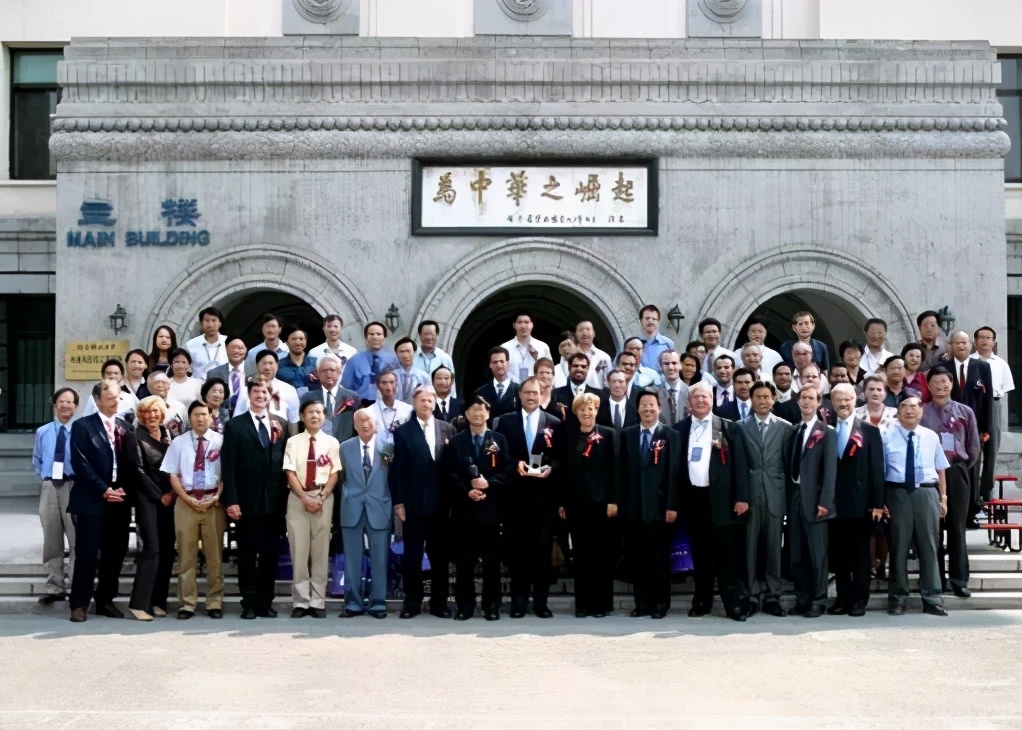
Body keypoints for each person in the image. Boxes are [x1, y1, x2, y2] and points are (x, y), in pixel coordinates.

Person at [674, 382, 750, 621]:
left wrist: (742, 498)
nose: (700, 401)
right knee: (700, 555)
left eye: (704, 397)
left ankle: (734, 604)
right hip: (693, 500)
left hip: (723, 501)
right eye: (695, 397)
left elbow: (741, 465)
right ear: (689, 402)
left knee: (727, 555)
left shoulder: (728, 428)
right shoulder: (679, 429)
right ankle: (702, 601)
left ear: (712, 400)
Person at [67, 381, 138, 622]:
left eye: (118, 398)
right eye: (109, 399)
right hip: (92, 500)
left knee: (114, 554)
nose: (115, 403)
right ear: (97, 400)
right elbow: (80, 463)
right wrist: (103, 489)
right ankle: (79, 604)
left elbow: (131, 464)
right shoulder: (82, 426)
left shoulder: (125, 427)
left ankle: (105, 600)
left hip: (119, 501)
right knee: (87, 553)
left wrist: (123, 490)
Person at [222, 380, 290, 619]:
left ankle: (265, 602)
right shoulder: (235, 426)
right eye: (256, 392)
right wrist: (231, 500)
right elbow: (228, 467)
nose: (261, 395)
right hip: (246, 502)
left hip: (273, 503)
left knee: (270, 555)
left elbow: (284, 463)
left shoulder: (280, 424)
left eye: (265, 392)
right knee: (247, 555)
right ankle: (249, 602)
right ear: (249, 396)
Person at [494, 376, 561, 618]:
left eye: (535, 392)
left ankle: (541, 603)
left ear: (542, 394)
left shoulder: (554, 422)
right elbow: (499, 458)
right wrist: (516, 465)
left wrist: (551, 468)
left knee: (542, 553)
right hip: (515, 499)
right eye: (527, 393)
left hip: (543, 500)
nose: (531, 397)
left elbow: (560, 457)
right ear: (520, 395)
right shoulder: (505, 422)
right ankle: (518, 603)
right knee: (516, 554)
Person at [389, 386, 456, 618]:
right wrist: (398, 502)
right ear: (414, 403)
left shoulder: (448, 429)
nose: (426, 404)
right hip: (413, 504)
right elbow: (396, 471)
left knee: (440, 556)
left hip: (440, 504)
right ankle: (412, 602)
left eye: (430, 400)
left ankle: (440, 603)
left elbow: (452, 470)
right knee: (413, 556)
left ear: (435, 403)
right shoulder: (403, 432)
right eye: (422, 400)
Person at [444, 395, 511, 620]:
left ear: (488, 413)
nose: (478, 413)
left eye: (482, 409)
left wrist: (488, 485)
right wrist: (466, 490)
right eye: (473, 409)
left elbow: (506, 473)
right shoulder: (456, 441)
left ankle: (491, 607)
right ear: (466, 414)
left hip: (490, 511)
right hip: (465, 511)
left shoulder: (499, 439)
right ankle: (465, 606)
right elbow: (449, 473)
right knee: (465, 562)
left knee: (492, 562)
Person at [882, 395, 949, 616]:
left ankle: (932, 597)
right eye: (905, 406)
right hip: (897, 493)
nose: (910, 410)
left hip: (927, 493)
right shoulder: (886, 436)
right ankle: (897, 598)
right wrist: (881, 501)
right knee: (899, 546)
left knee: (929, 546)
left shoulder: (931, 436)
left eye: (915, 406)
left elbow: (940, 468)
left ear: (921, 411)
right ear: (897, 411)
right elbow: (880, 472)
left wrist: (944, 497)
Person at [161, 401, 226, 619]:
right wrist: (187, 498)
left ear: (211, 417)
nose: (200, 418)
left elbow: (227, 474)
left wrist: (216, 496)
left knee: (214, 555)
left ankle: (214, 602)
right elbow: (172, 473)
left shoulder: (220, 441)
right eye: (196, 415)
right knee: (186, 555)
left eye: (204, 414)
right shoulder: (178, 443)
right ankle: (187, 603)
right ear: (190, 418)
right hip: (185, 503)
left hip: (213, 503)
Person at [619, 389, 680, 619]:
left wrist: (672, 506)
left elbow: (674, 473)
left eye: (651, 405)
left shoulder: (670, 435)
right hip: (634, 508)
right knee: (637, 558)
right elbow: (621, 472)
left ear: (659, 408)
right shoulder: (627, 435)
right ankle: (642, 603)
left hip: (660, 508)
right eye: (643, 405)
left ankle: (660, 603)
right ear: (637, 409)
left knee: (659, 559)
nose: (647, 409)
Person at [920, 367, 980, 599]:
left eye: (945, 382)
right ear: (929, 385)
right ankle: (937, 579)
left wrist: (961, 469)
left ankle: (959, 579)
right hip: (929, 474)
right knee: (933, 529)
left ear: (951, 384)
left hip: (956, 472)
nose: (941, 386)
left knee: (956, 527)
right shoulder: (922, 412)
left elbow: (974, 448)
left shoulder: (965, 412)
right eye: (935, 382)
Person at [733, 380, 791, 617]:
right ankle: (751, 594)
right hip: (750, 494)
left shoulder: (786, 428)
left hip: (775, 493)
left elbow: (788, 466)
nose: (763, 401)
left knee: (773, 547)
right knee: (749, 547)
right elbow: (737, 464)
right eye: (759, 397)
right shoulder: (739, 427)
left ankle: (773, 595)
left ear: (773, 399)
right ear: (752, 399)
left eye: (767, 397)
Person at [557, 392, 618, 617]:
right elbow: (563, 471)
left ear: (596, 411)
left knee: (600, 555)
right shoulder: (569, 436)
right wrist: (562, 501)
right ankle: (583, 604)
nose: (587, 412)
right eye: (582, 409)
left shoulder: (609, 435)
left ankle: (601, 604)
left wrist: (613, 500)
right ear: (576, 412)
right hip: (576, 504)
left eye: (591, 408)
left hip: (601, 504)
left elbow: (615, 471)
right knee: (581, 555)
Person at [828, 384, 884, 617]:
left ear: (855, 400)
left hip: (861, 505)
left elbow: (877, 470)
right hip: (833, 505)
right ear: (832, 403)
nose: (843, 404)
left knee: (861, 556)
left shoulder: (869, 432)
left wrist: (877, 503)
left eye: (848, 400)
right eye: (839, 400)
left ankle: (860, 599)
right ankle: (842, 598)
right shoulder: (826, 430)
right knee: (839, 555)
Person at [282, 399, 341, 618]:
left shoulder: (332, 443)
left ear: (324, 417)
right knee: (299, 551)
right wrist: (304, 498)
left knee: (320, 551)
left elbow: (335, 473)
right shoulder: (293, 442)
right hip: (298, 498)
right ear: (302, 416)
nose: (315, 416)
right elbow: (289, 472)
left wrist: (323, 495)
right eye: (310, 412)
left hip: (323, 498)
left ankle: (317, 601)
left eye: (318, 412)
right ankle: (300, 601)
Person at [785, 386, 836, 618]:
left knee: (817, 555)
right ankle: (802, 599)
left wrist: (825, 501)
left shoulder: (826, 432)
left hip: (816, 501)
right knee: (797, 554)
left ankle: (818, 599)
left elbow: (830, 471)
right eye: (803, 398)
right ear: (798, 402)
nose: (806, 402)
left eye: (811, 398)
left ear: (819, 403)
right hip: (794, 499)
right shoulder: (793, 431)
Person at [338, 410, 392, 619]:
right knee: (352, 558)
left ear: (376, 423)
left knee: (380, 558)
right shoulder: (345, 448)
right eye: (360, 421)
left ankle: (378, 602)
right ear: (354, 425)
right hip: (352, 507)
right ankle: (353, 603)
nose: (365, 424)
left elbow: (394, 477)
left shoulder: (387, 446)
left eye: (369, 420)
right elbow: (340, 478)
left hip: (379, 507)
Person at [127, 396, 174, 621]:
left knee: (166, 550)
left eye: (155, 411)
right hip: (147, 499)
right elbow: (137, 470)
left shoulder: (169, 435)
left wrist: (172, 493)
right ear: (140, 415)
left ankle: (158, 601)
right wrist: (159, 495)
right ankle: (139, 603)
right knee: (151, 548)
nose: (151, 416)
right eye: (146, 412)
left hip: (169, 499)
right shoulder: (134, 436)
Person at [32, 387, 78, 605]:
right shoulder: (43, 432)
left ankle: (77, 585)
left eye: (70, 402)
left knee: (76, 537)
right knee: (51, 539)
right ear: (55, 406)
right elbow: (37, 458)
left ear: (76, 407)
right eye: (62, 401)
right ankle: (54, 586)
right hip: (50, 487)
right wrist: (45, 476)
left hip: (73, 486)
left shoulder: (80, 431)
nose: (66, 405)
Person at [944, 330, 993, 527]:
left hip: (973, 429)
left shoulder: (982, 367)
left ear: (970, 345)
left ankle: (971, 511)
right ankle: (949, 513)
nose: (961, 346)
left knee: (972, 467)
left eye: (964, 343)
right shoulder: (943, 367)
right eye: (957, 343)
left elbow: (988, 399)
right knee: (949, 466)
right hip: (949, 428)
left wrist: (985, 428)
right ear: (951, 346)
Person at [971, 326, 1014, 507]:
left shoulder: (1001, 363)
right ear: (975, 341)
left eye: (989, 338)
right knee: (973, 450)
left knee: (992, 450)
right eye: (981, 337)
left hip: (994, 404)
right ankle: (972, 496)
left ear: (994, 342)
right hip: (973, 404)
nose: (985, 341)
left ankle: (987, 493)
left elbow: (1005, 389)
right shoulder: (969, 362)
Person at [233, 350, 300, 427]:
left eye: (271, 363)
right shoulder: (246, 389)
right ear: (257, 365)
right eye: (264, 363)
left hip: (280, 432)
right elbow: (237, 417)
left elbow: (293, 420)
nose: (268, 367)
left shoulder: (289, 390)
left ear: (277, 366)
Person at [303, 354, 359, 440]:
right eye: (324, 371)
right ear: (318, 373)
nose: (329, 374)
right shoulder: (308, 398)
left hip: (344, 446)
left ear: (339, 372)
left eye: (333, 370)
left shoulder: (352, 397)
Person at [340, 321, 399, 402]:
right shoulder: (354, 360)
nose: (375, 337)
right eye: (371, 334)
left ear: (384, 338)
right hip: (362, 407)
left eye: (378, 334)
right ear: (365, 338)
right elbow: (346, 388)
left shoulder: (394, 360)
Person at [552, 352, 607, 423]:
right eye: (575, 366)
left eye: (583, 366)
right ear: (569, 368)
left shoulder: (598, 394)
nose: (579, 369)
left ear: (587, 369)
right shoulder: (556, 393)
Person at [367, 369, 413, 449]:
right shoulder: (369, 412)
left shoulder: (408, 409)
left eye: (392, 382)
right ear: (378, 386)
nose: (388, 387)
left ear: (396, 384)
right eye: (384, 383)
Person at [502, 310, 552, 383]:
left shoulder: (542, 347)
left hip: (536, 390)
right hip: (512, 390)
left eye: (526, 322)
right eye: (519, 322)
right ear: (514, 325)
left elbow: (550, 370)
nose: (523, 326)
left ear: (532, 324)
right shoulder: (505, 348)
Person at [474, 346, 520, 422]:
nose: (499, 365)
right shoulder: (480, 394)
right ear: (490, 365)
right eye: (495, 362)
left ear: (507, 363)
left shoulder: (519, 390)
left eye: (502, 361)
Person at [206, 336, 249, 412]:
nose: (236, 351)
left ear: (246, 350)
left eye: (240, 348)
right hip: (222, 419)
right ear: (226, 349)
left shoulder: (254, 372)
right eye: (233, 347)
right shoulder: (213, 373)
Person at [185, 306, 228, 380]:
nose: (210, 324)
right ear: (201, 324)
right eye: (207, 320)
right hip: (198, 387)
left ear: (220, 323)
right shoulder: (190, 345)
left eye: (214, 320)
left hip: (223, 387)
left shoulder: (228, 342)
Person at [413, 320, 456, 389]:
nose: (429, 337)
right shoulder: (411, 357)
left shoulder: (445, 358)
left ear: (437, 335)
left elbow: (452, 385)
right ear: (420, 335)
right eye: (426, 334)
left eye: (432, 334)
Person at [146, 371, 188, 436]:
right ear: (149, 387)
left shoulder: (180, 407)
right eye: (157, 382)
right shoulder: (143, 408)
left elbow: (187, 428)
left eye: (164, 382)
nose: (161, 385)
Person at [392, 336, 432, 404]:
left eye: (408, 351)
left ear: (415, 352)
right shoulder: (391, 376)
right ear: (396, 354)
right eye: (402, 352)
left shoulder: (424, 377)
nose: (405, 355)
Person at [575, 320, 613, 387]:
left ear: (594, 333)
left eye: (588, 329)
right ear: (576, 334)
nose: (584, 333)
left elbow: (609, 382)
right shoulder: (569, 355)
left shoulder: (603, 357)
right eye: (581, 330)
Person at [657, 350, 689, 426]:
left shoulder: (691, 393)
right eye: (666, 363)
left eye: (674, 363)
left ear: (680, 365)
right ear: (660, 366)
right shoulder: (654, 394)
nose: (670, 367)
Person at [711, 355, 739, 420]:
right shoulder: (709, 393)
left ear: (733, 370)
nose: (722, 371)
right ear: (714, 370)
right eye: (719, 368)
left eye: (726, 367)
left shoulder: (741, 393)